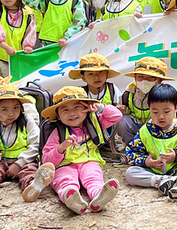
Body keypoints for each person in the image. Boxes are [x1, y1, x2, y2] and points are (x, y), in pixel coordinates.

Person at [41, 86, 122, 214]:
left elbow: (117, 116)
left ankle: (98, 196)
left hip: (89, 161)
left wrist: (100, 108)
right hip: (65, 165)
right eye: (65, 110)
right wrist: (61, 148)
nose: (72, 113)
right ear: (57, 114)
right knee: (64, 178)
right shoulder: (57, 132)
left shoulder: (95, 122)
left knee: (93, 176)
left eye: (77, 108)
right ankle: (70, 196)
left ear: (86, 108)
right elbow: (46, 160)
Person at [122, 84, 177, 201]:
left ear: (176, 109)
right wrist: (146, 162)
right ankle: (161, 182)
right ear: (149, 109)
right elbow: (131, 152)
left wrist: (176, 155)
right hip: (153, 170)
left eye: (166, 111)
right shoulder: (145, 130)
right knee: (130, 173)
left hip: (176, 168)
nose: (161, 117)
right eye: (155, 112)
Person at [119, 56, 173, 144]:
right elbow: (121, 109)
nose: (144, 80)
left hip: (157, 127)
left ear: (159, 80)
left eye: (150, 77)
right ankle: (132, 146)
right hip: (135, 125)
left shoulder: (164, 94)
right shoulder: (128, 93)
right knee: (122, 120)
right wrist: (122, 110)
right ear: (135, 77)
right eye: (140, 76)